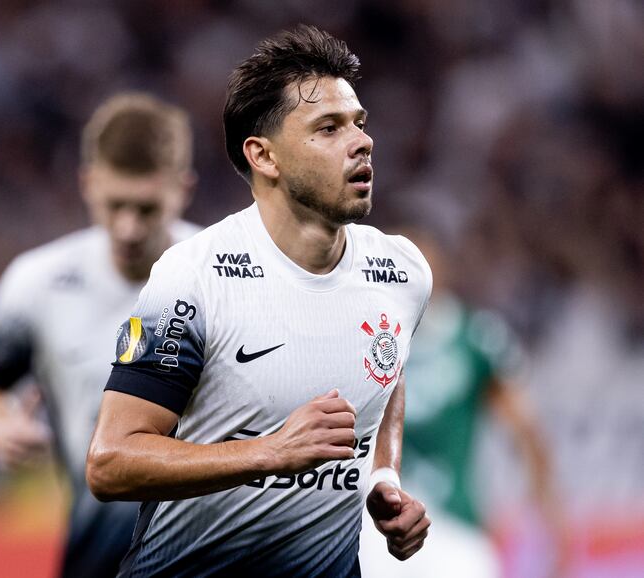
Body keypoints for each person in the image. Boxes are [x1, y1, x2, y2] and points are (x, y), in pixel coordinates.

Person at [86, 25, 433, 577]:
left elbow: (387, 369)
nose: (362, 141)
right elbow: (111, 462)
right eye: (328, 128)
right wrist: (271, 451)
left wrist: (384, 478)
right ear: (263, 156)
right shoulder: (195, 277)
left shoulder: (402, 272)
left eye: (359, 123)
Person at [0, 92, 200, 578]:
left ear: (183, 188)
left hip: (207, 557)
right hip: (94, 556)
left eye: (146, 208)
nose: (128, 227)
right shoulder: (37, 282)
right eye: (115, 205)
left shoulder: (225, 277)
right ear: (87, 183)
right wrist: (1, 428)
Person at [359, 233, 569, 578]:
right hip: (378, 532)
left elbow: (528, 435)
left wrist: (553, 525)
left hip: (455, 527)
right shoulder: (361, 339)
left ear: (443, 267)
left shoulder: (476, 339)